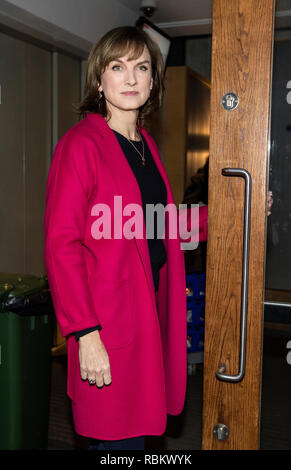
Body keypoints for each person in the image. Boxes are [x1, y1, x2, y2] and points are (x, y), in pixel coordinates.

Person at [44, 26, 192, 451]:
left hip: (147, 315)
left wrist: (239, 214)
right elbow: (61, 245)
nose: (130, 79)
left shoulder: (144, 143)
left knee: (138, 439)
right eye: (118, 67)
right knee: (116, 443)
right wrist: (85, 334)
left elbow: (158, 221)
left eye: (141, 68)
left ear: (153, 81)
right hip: (106, 326)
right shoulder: (82, 145)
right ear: (99, 80)